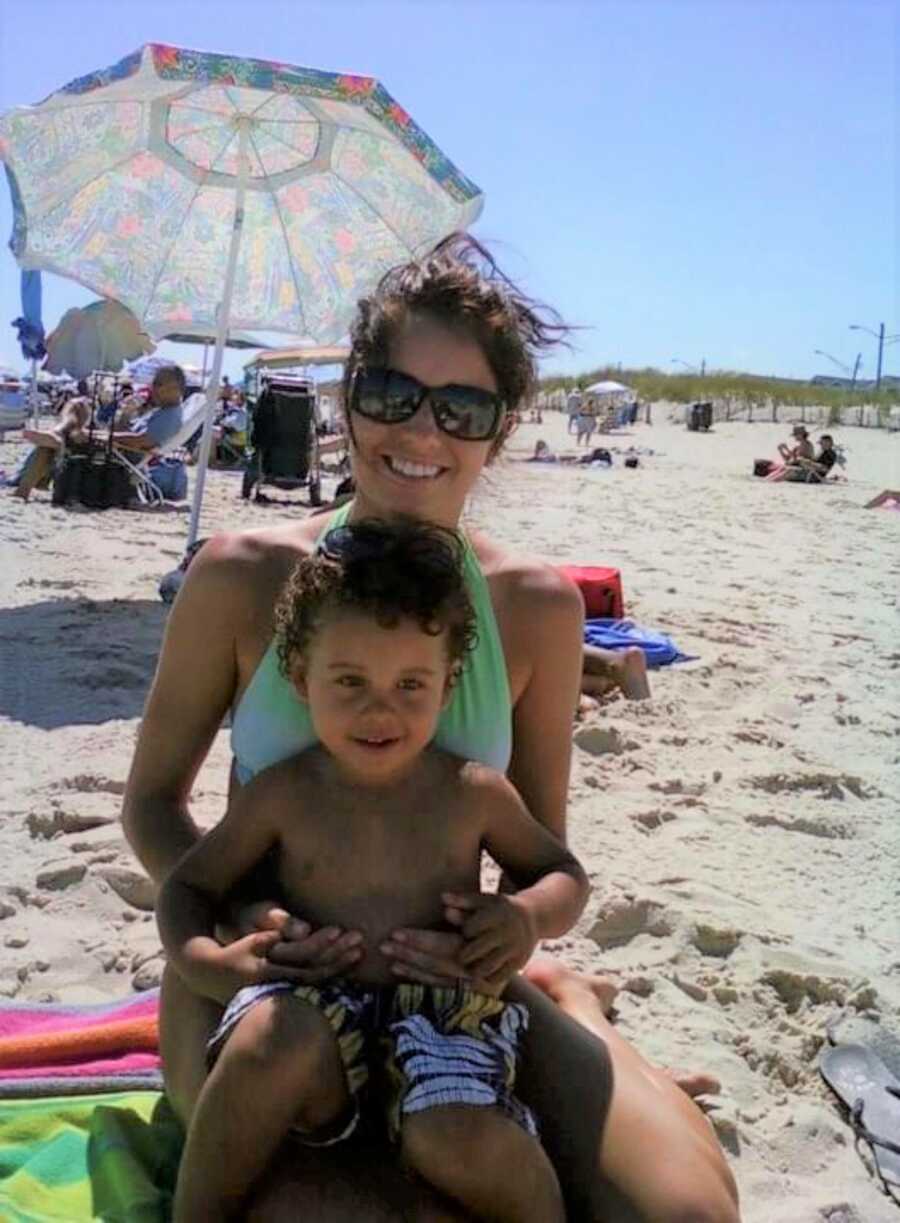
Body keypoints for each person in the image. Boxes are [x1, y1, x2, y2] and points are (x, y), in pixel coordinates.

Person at [123, 234, 739, 1222]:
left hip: (453, 1000)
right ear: (348, 397)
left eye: (462, 406)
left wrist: (520, 934)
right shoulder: (239, 575)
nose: (423, 428)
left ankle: (572, 998)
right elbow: (152, 803)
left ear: (498, 430)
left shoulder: (534, 605)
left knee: (684, 1215)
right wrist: (224, 924)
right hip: (275, 995)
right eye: (392, 391)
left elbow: (541, 852)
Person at [158, 518, 588, 1222]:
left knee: (457, 1135)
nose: (379, 708)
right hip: (315, 1012)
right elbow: (189, 886)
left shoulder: (471, 791)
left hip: (443, 1017)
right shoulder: (285, 792)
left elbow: (560, 871)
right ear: (301, 677)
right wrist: (210, 962)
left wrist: (525, 916)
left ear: (448, 686)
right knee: (270, 1043)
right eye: (350, 680)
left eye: (410, 683)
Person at [8, 396, 91, 501]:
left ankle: (58, 433)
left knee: (46, 448)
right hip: (23, 474)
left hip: (62, 453)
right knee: (47, 448)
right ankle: (59, 435)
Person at [767, 433, 839, 484]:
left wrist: (808, 463)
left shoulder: (830, 454)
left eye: (822, 443)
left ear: (828, 443)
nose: (820, 445)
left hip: (814, 476)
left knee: (789, 471)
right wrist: (805, 462)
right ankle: (767, 480)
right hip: (810, 472)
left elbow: (824, 468)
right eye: (820, 443)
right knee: (786, 469)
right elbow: (814, 462)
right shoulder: (822, 451)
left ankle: (770, 482)